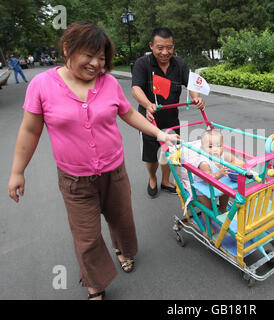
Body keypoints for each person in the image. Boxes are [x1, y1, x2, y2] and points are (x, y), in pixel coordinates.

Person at [7, 22, 179, 300]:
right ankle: (94, 284)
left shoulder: (108, 83)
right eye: (89, 55)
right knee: (86, 236)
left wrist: (159, 133)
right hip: (75, 180)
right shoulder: (42, 85)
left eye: (102, 58)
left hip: (115, 171)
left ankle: (123, 249)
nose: (96, 64)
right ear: (67, 49)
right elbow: (30, 131)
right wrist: (17, 171)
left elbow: (128, 114)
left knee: (122, 220)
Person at [131, 27, 206, 199]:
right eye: (160, 47)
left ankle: (165, 180)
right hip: (149, 120)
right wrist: (147, 104)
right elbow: (136, 89)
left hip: (171, 119)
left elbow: (192, 84)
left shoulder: (180, 64)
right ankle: (152, 178)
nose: (165, 52)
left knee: (171, 153)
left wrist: (197, 98)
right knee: (151, 157)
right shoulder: (142, 64)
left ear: (173, 46)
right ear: (151, 45)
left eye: (169, 47)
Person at [194, 130, 238, 233]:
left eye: (218, 146)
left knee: (226, 193)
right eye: (210, 147)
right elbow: (208, 177)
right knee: (207, 208)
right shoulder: (204, 162)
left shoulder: (223, 156)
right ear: (202, 149)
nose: (215, 150)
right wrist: (220, 173)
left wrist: (241, 165)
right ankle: (208, 226)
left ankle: (222, 210)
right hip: (204, 188)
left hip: (219, 184)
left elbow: (235, 160)